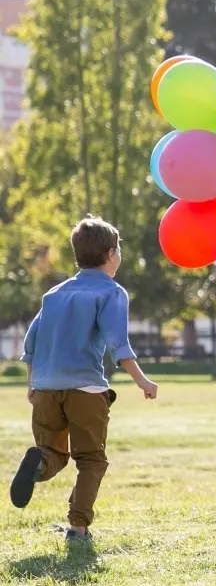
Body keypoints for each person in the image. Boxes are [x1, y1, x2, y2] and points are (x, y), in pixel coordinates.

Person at [10, 216, 158, 544]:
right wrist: (142, 381)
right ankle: (77, 528)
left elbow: (30, 344)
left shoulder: (54, 294)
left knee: (53, 452)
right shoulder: (111, 292)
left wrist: (32, 385)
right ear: (109, 254)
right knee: (91, 458)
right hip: (85, 389)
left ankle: (39, 463)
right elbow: (118, 344)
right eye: (118, 249)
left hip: (46, 388)